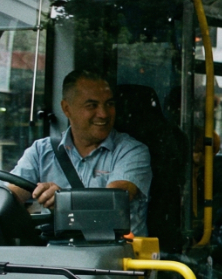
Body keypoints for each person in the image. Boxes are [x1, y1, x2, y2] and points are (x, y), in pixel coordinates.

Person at [6, 70, 152, 236]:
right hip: (56, 256)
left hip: (116, 256)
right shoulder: (41, 151)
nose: (103, 114)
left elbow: (114, 203)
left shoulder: (131, 151)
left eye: (109, 104)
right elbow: (7, 198)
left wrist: (64, 201)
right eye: (92, 106)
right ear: (66, 109)